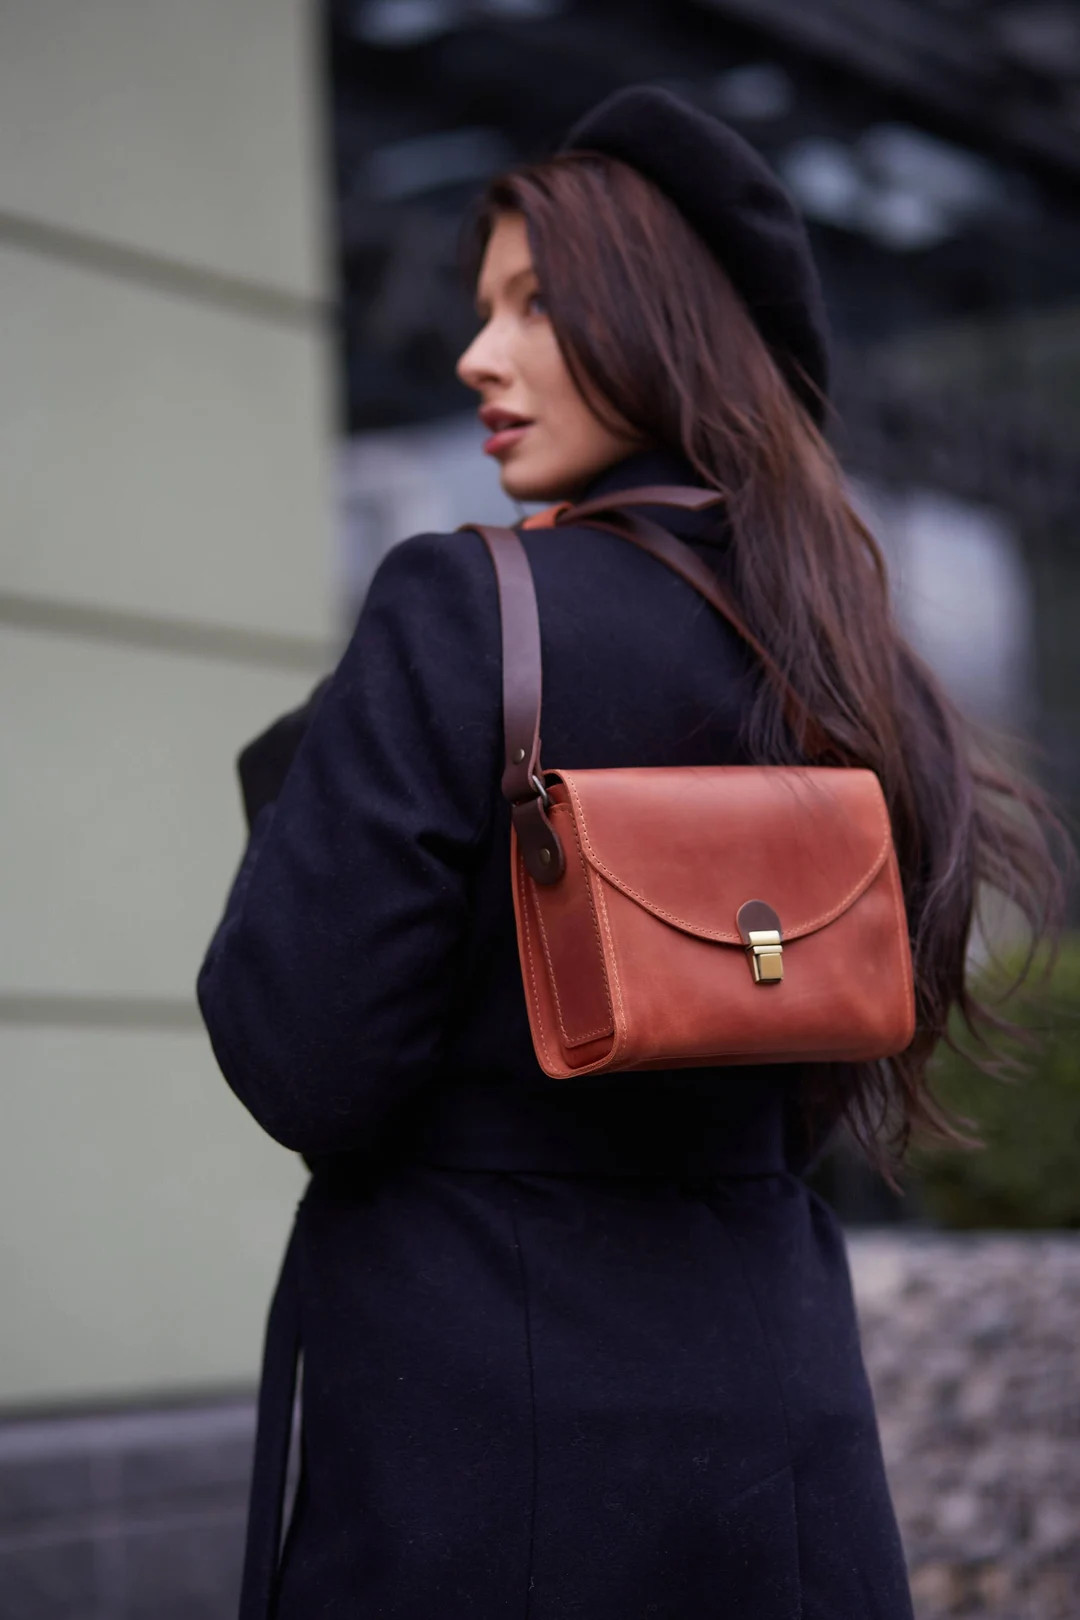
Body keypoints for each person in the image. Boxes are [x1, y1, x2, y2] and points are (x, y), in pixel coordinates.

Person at [198, 87, 1062, 1619]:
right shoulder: (851, 667)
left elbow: (300, 1057)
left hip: (482, 1443)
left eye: (534, 306)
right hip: (782, 1431)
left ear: (659, 325)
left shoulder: (458, 609)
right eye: (481, 311)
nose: (477, 356)